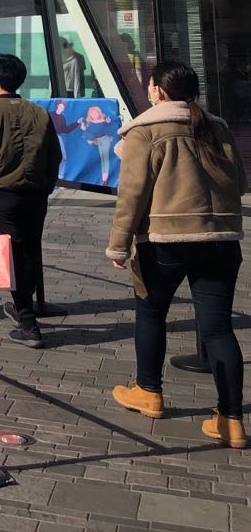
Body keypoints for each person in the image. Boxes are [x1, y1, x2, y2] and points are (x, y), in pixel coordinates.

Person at [107, 60, 246, 448]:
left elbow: (131, 194)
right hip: (221, 240)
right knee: (218, 329)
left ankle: (149, 392)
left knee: (151, 313)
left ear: (156, 91)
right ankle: (231, 419)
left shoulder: (145, 129)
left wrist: (118, 244)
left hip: (165, 240)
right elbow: (241, 182)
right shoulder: (216, 127)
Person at [0, 53, 63, 348]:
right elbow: (54, 156)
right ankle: (27, 305)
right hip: (36, 195)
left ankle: (28, 322)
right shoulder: (39, 112)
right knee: (31, 250)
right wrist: (46, 186)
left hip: (3, 196)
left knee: (13, 256)